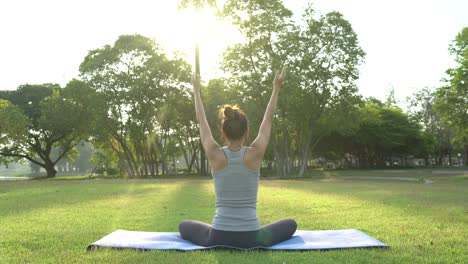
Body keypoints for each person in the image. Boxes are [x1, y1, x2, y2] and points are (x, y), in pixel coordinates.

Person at [179, 68, 297, 248]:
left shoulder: (215, 154)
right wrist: (276, 87)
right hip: (253, 238)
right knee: (290, 224)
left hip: (217, 236)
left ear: (223, 133)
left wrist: (196, 91)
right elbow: (268, 120)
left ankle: (220, 231)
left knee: (183, 226)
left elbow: (201, 121)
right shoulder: (255, 154)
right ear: (247, 132)